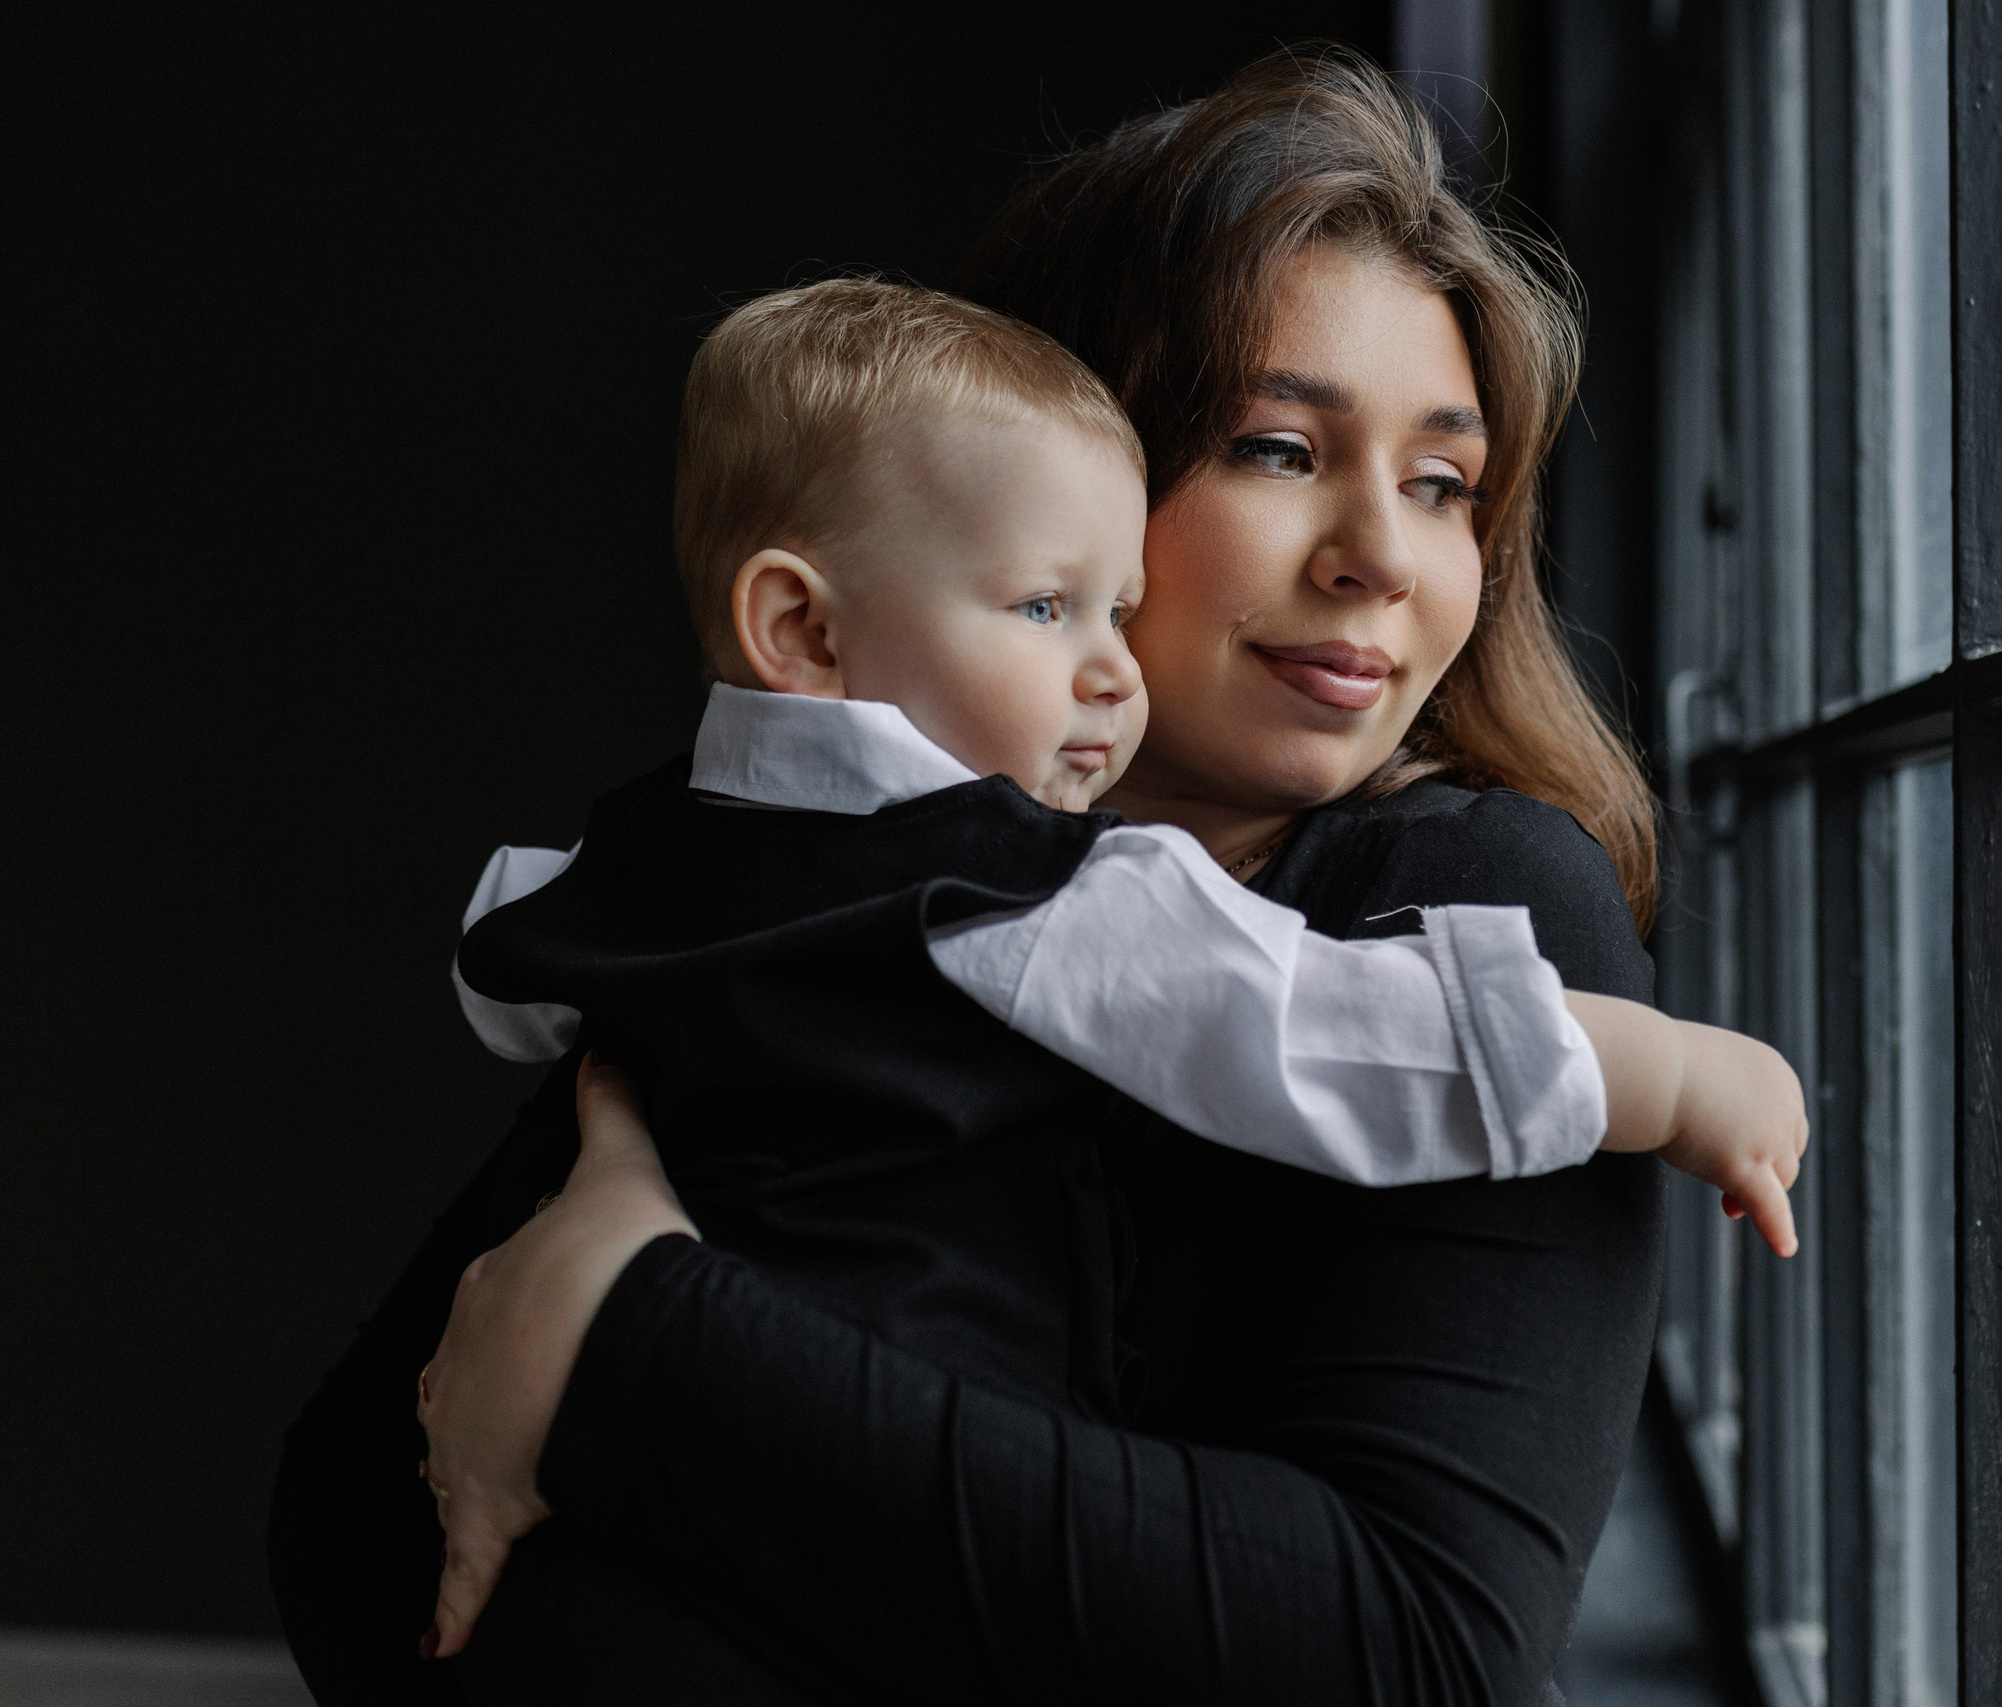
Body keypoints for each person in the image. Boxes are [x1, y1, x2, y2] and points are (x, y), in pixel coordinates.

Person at [272, 46, 1787, 1706]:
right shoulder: (847, 869)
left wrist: (632, 1326)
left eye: (1444, 484)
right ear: (1074, 463)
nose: (1384, 555)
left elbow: (1410, 1657)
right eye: (1279, 450)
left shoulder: (1472, 910)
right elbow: (356, 1533)